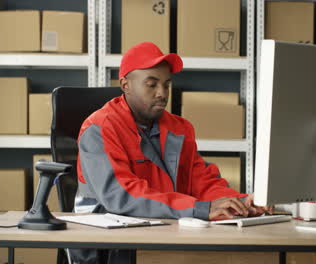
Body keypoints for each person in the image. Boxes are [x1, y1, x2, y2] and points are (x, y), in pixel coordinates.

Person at [71, 42, 270, 263]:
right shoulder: (99, 128)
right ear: (125, 84)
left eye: (166, 85)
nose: (162, 93)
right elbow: (121, 196)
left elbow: (201, 182)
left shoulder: (180, 128)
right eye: (151, 85)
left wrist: (241, 202)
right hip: (110, 245)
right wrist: (200, 209)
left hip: (166, 232)